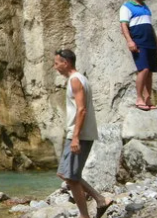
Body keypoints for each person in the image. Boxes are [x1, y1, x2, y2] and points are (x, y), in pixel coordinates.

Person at [53, 50, 111, 218]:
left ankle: (87, 213)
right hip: (78, 133)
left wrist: (76, 137)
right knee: (65, 174)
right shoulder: (77, 79)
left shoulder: (76, 80)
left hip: (79, 134)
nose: (55, 67)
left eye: (57, 63)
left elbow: (82, 110)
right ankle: (100, 200)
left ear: (66, 63)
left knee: (70, 176)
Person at [119, 0, 157, 110]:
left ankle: (148, 100)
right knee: (143, 69)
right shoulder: (127, 7)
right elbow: (123, 25)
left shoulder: (145, 7)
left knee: (150, 71)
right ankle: (139, 98)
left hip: (150, 43)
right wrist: (129, 41)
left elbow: (150, 26)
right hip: (139, 42)